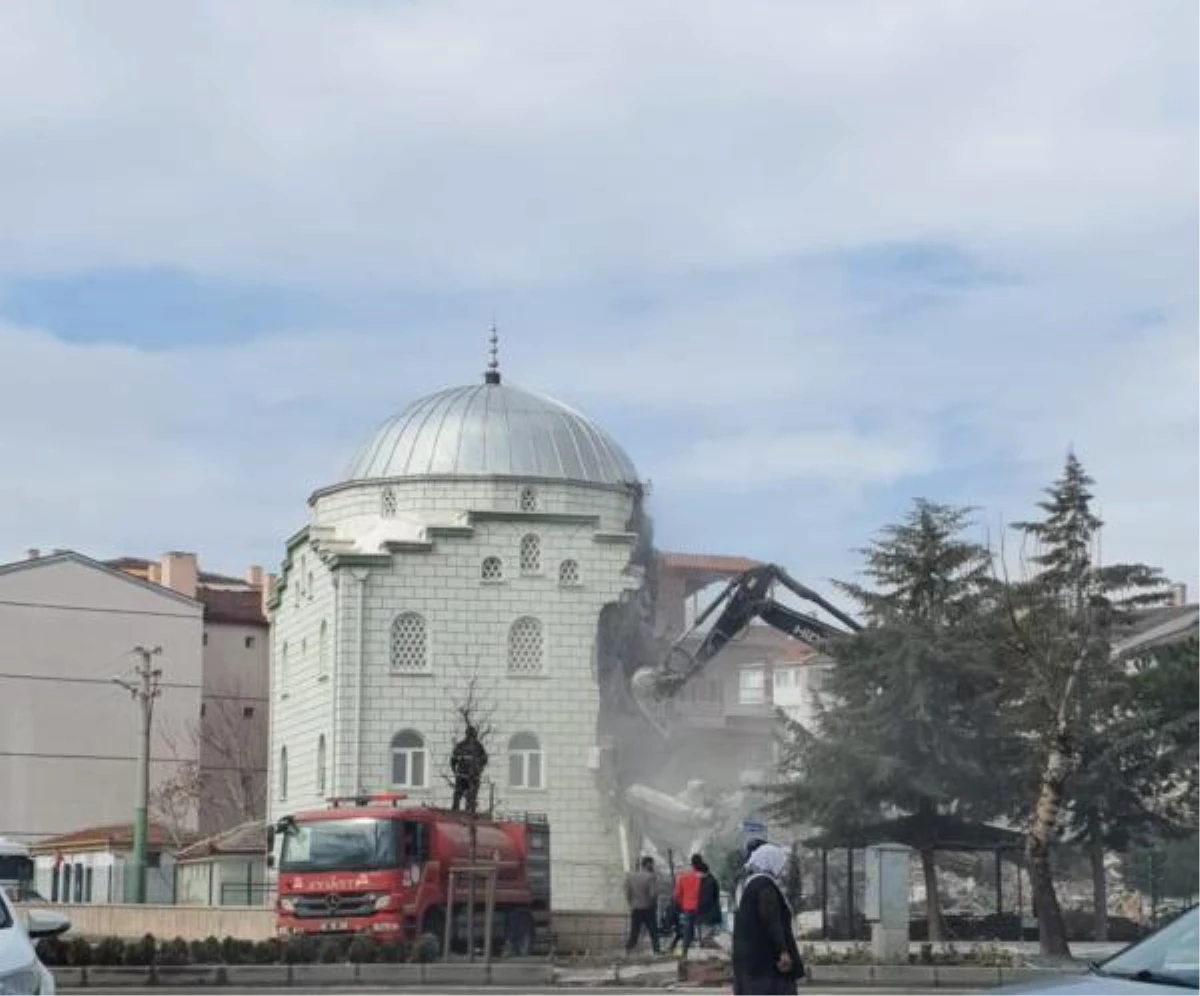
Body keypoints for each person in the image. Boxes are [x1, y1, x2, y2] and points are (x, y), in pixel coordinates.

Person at [732, 843, 805, 996]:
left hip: (749, 960)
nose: (782, 868)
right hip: (767, 961)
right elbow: (772, 921)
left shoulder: (748, 884)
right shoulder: (765, 887)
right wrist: (783, 951)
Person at [623, 856, 661, 955]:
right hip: (648, 908)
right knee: (653, 932)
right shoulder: (651, 877)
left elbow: (627, 893)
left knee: (634, 932)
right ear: (648, 864)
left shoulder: (630, 876)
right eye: (652, 864)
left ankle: (627, 951)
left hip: (635, 908)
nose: (653, 866)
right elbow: (653, 894)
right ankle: (657, 952)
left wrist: (631, 904)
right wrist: (654, 903)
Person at [670, 853, 704, 959]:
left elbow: (676, 895)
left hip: (688, 907)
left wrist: (680, 903)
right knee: (701, 929)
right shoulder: (703, 876)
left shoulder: (684, 876)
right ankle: (701, 952)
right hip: (701, 907)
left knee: (687, 929)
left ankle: (684, 953)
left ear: (691, 863)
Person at [450, 724, 488, 812]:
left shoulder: (460, 745)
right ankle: (468, 811)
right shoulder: (478, 746)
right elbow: (485, 759)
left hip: (464, 775)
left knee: (459, 794)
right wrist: (480, 769)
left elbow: (453, 761)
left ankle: (457, 810)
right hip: (471, 776)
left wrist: (454, 770)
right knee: (470, 796)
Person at [695, 859, 722, 945]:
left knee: (706, 937)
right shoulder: (706, 880)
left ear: (703, 872)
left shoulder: (709, 882)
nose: (697, 874)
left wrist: (698, 907)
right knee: (704, 937)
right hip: (705, 913)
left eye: (698, 872)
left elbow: (707, 899)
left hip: (708, 913)